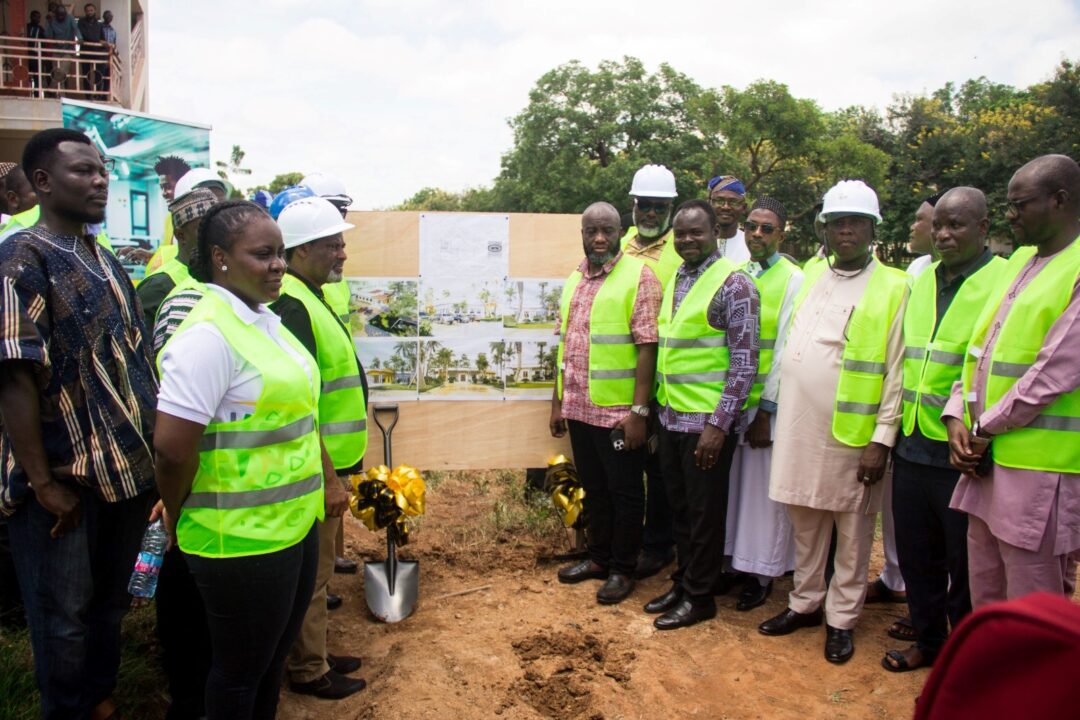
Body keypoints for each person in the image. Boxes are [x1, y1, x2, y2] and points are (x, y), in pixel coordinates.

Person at [0, 128, 157, 720]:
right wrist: (43, 484)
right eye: (83, 172)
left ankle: (98, 698)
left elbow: (136, 360)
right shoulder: (22, 258)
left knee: (108, 606)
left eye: (102, 171)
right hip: (63, 486)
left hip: (124, 477)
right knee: (62, 618)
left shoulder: (105, 258)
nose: (99, 181)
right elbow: (12, 376)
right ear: (42, 182)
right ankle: (65, 708)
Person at [155, 200, 333, 719]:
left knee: (269, 664)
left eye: (280, 253)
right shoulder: (208, 336)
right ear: (220, 257)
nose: (278, 264)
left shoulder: (263, 320)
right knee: (238, 673)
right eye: (262, 254)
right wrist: (172, 507)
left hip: (293, 527)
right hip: (239, 539)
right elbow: (171, 448)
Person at [760, 179, 909, 664]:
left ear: (872, 230)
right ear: (825, 228)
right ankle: (804, 602)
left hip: (853, 436)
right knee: (804, 520)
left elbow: (897, 371)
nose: (845, 230)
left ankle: (841, 619)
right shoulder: (813, 272)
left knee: (852, 531)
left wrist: (881, 440)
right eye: (837, 222)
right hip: (800, 429)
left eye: (856, 222)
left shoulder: (894, 285)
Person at [944, 154, 1080, 607]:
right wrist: (956, 417)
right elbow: (978, 348)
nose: (1010, 215)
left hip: (1038, 474)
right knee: (987, 592)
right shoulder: (1020, 261)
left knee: (1031, 604)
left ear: (1059, 201)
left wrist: (983, 428)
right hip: (985, 464)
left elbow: (1053, 372)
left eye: (1020, 205)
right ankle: (989, 678)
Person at [883, 187, 1005, 673]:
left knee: (968, 563)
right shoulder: (922, 280)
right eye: (939, 226)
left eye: (957, 225)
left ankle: (966, 655)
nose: (945, 234)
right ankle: (929, 641)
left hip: (962, 450)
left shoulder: (1003, 280)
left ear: (983, 227)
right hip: (913, 442)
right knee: (918, 555)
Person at [644, 199, 759, 629]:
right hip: (671, 418)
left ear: (716, 234)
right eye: (682, 233)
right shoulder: (676, 277)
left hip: (706, 426)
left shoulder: (735, 285)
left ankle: (700, 596)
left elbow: (744, 365)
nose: (688, 240)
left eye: (697, 232)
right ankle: (683, 581)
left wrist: (718, 425)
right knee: (680, 510)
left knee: (705, 514)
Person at [271, 197, 367, 699]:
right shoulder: (292, 304)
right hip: (316, 468)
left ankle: (318, 654)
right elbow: (299, 404)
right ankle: (309, 669)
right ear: (303, 250)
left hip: (329, 462)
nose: (343, 254)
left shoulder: (306, 294)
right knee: (314, 574)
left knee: (322, 569)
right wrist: (329, 476)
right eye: (334, 244)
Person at [551, 201, 660, 605]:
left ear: (620, 232)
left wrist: (639, 412)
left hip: (618, 415)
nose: (599, 238)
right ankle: (598, 559)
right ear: (581, 233)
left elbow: (648, 347)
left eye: (607, 231)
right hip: (579, 408)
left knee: (626, 492)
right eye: (591, 231)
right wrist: (557, 402)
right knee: (595, 488)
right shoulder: (574, 279)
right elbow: (564, 345)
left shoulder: (640, 276)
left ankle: (622, 569)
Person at [724, 197, 803, 612]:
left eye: (766, 228)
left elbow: (786, 348)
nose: (756, 234)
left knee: (762, 497)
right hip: (733, 404)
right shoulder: (737, 274)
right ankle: (737, 565)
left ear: (781, 234)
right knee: (737, 491)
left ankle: (763, 574)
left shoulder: (793, 279)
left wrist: (767, 411)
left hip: (764, 409)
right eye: (751, 227)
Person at [618, 163, 678, 580]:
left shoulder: (683, 247)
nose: (651, 214)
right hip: (624, 373)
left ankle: (659, 544)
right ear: (634, 206)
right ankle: (630, 537)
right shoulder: (619, 244)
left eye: (659, 207)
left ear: (670, 208)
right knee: (626, 463)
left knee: (660, 467)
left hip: (665, 374)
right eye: (645, 206)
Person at [136, 187, 217, 332]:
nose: (214, 235)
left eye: (217, 227)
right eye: (203, 229)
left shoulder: (223, 273)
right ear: (181, 235)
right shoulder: (157, 287)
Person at [707, 175, 751, 264]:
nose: (726, 207)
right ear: (709, 204)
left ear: (744, 207)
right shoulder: (698, 241)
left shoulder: (752, 244)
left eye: (733, 202)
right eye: (719, 201)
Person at [43, 4, 81, 92]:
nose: (60, 17)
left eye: (62, 15)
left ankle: (51, 88)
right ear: (56, 14)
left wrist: (80, 38)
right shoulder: (52, 20)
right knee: (57, 72)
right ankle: (61, 94)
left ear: (65, 14)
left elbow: (75, 29)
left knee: (62, 72)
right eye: (58, 15)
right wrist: (48, 23)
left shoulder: (70, 18)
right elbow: (48, 35)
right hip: (56, 50)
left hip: (68, 50)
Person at [25, 10, 46, 90]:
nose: (38, 19)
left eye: (39, 17)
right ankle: (27, 91)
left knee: (37, 76)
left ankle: (37, 94)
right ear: (31, 17)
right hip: (26, 54)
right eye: (36, 17)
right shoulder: (26, 27)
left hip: (36, 55)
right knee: (25, 74)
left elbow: (44, 43)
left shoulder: (41, 29)